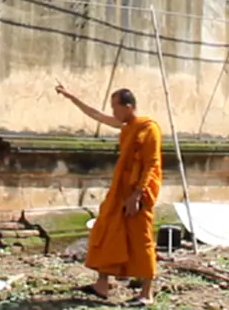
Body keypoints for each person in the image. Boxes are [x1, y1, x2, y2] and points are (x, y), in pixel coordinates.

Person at [56, 83, 162, 306]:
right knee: (106, 229)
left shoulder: (148, 128)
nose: (113, 112)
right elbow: (96, 115)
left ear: (128, 107)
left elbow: (151, 164)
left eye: (116, 108)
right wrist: (71, 96)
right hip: (120, 191)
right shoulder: (127, 125)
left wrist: (137, 195)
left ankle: (146, 293)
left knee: (141, 239)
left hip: (137, 194)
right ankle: (101, 285)